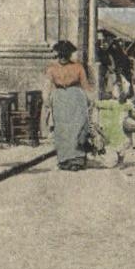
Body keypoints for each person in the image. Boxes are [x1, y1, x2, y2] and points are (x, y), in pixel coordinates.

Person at [42, 40, 93, 171]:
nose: (63, 58)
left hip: (75, 98)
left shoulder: (78, 67)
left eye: (66, 55)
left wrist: (91, 100)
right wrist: (46, 101)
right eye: (61, 55)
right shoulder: (52, 68)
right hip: (61, 99)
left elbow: (85, 85)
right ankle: (65, 159)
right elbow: (47, 86)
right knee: (62, 129)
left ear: (69, 55)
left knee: (77, 127)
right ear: (58, 54)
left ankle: (76, 160)